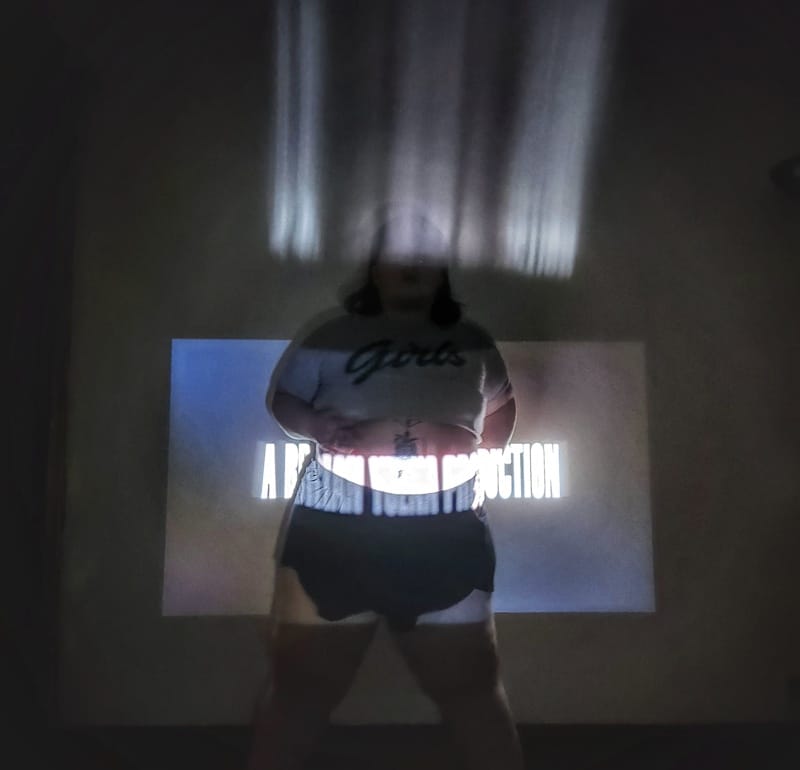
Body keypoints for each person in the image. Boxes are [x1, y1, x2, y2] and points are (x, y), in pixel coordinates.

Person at [247, 212, 524, 770]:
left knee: (473, 690)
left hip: (446, 529)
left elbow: (501, 405)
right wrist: (316, 426)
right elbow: (284, 400)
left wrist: (481, 458)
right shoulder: (329, 336)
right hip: (337, 528)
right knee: (300, 692)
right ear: (375, 267)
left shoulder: (472, 340)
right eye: (399, 254)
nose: (412, 265)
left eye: (425, 255)